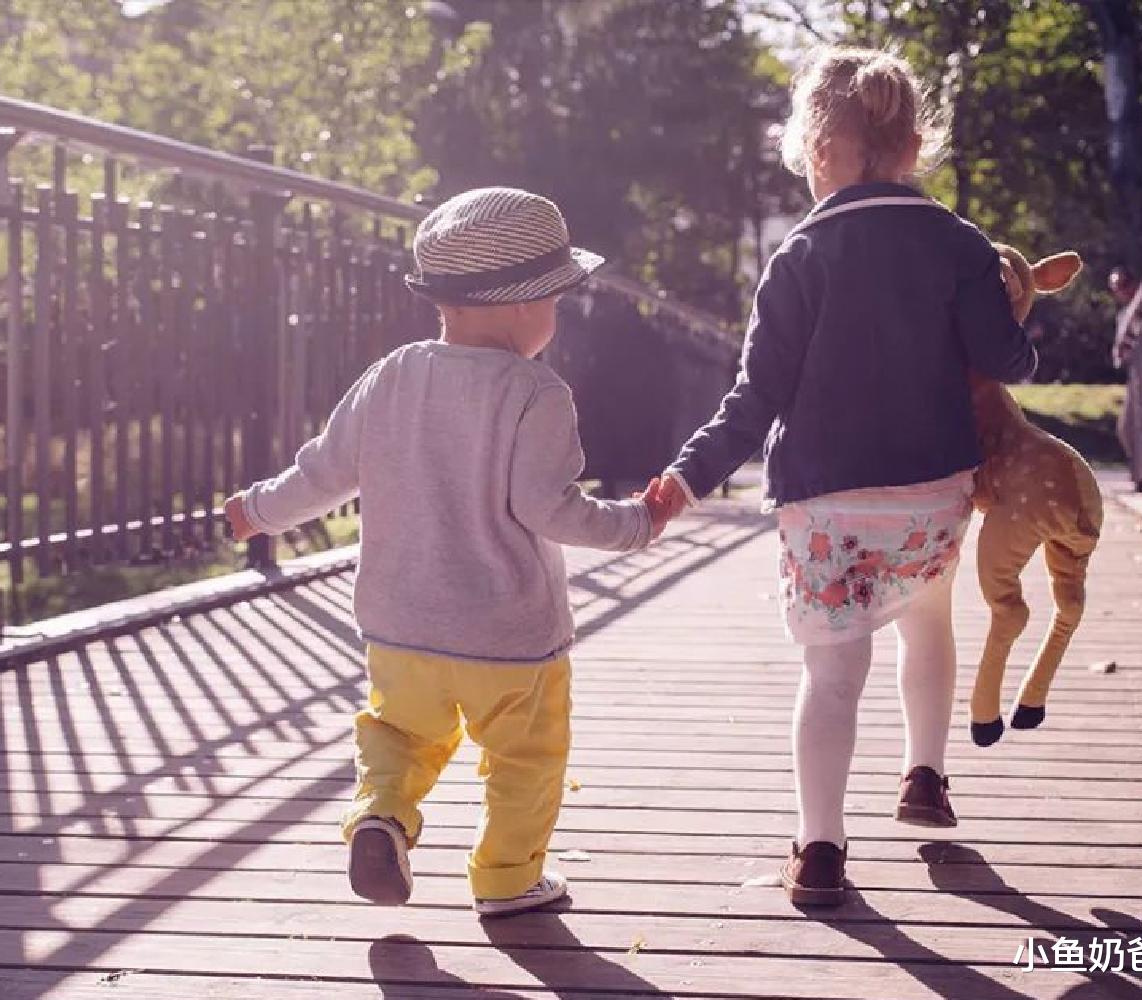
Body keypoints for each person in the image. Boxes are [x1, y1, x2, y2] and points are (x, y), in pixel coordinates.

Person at [654, 46, 1037, 906]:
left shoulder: (799, 256)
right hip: (931, 493)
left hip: (826, 503)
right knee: (927, 619)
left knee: (832, 675)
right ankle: (925, 775)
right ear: (914, 148)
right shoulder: (960, 244)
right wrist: (1013, 306)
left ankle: (820, 848)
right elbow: (1007, 361)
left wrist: (686, 477)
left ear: (822, 150)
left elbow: (755, 399)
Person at [225, 186, 671, 917]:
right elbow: (549, 509)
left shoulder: (391, 375)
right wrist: (638, 523)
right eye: (555, 301)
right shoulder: (537, 392)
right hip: (511, 638)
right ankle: (507, 878)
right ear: (524, 306)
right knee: (524, 759)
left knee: (399, 735)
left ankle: (381, 816)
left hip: (400, 626)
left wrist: (257, 510)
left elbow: (323, 474)